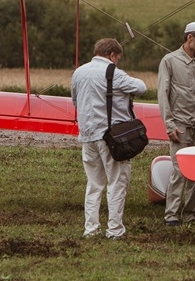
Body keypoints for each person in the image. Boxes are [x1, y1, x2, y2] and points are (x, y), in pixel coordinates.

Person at [71, 38, 147, 239]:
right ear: (112, 55)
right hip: (111, 137)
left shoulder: (78, 72)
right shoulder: (114, 73)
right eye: (118, 58)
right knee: (117, 183)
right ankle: (114, 230)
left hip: (87, 136)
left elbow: (75, 100)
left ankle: (91, 229)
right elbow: (141, 87)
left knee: (94, 184)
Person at [157, 21, 195, 227]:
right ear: (190, 38)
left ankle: (190, 214)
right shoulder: (169, 61)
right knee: (179, 170)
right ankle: (171, 214)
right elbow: (163, 94)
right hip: (180, 124)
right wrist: (170, 125)